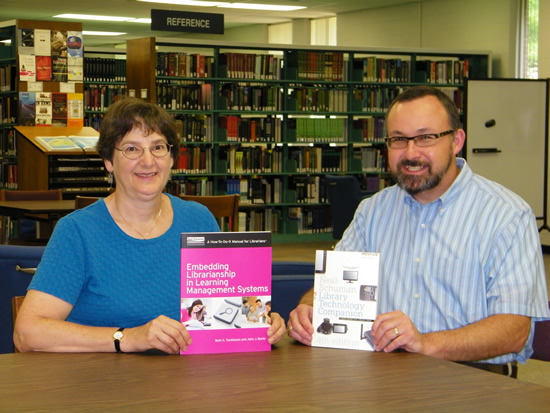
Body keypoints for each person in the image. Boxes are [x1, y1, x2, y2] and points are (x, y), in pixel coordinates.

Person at [287, 86, 549, 375]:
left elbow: (514, 331)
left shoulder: (507, 216)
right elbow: (333, 289)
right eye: (399, 139)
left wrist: (424, 343)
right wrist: (310, 308)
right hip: (381, 371)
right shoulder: (372, 211)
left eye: (426, 137)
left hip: (472, 378)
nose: (411, 153)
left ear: (456, 141)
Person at [14, 97, 286, 354]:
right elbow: (27, 333)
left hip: (186, 383)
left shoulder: (198, 219)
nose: (148, 161)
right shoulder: (78, 231)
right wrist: (128, 337)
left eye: (158, 147)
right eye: (132, 149)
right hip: (100, 387)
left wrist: (257, 321)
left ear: (170, 158)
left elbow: (219, 315)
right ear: (108, 161)